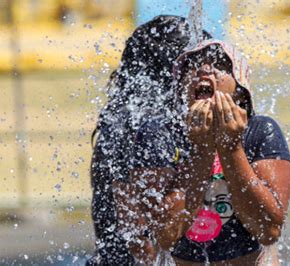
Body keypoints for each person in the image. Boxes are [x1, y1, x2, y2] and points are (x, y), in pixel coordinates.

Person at [116, 40, 290, 264]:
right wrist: (202, 150)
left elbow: (269, 230)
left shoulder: (260, 131)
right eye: (193, 65)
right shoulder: (159, 134)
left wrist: (231, 148)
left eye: (220, 64)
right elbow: (165, 236)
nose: (204, 69)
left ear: (240, 91)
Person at [88, 15, 211, 265]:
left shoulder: (122, 119)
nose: (209, 73)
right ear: (175, 69)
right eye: (198, 63)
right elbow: (140, 238)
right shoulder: (134, 125)